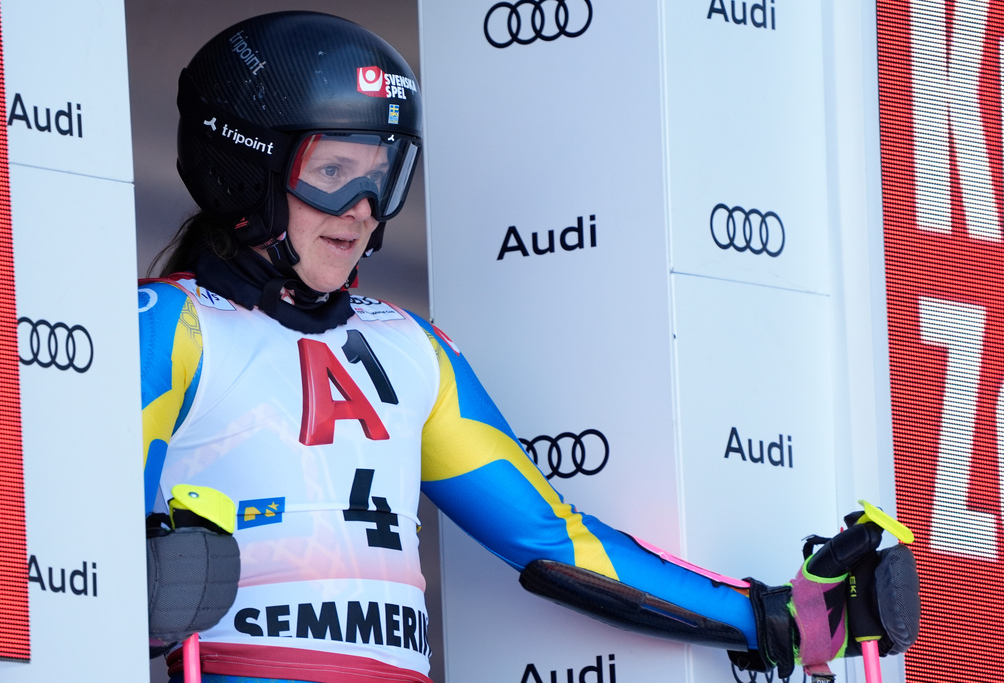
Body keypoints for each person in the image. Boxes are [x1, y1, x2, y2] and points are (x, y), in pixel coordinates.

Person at [139, 11, 920, 683]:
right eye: (334, 172)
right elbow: (73, 549)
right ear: (243, 167)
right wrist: (140, 578)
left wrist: (779, 617)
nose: (364, 211)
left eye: (383, 176)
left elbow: (558, 542)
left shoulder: (412, 350)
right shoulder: (164, 327)